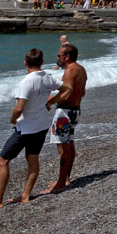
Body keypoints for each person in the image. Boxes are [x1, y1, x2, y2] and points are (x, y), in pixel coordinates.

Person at [0, 48, 61, 213]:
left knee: (1, 161)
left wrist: (13, 119)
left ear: (25, 63)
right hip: (41, 126)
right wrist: (50, 101)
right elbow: (66, 89)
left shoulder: (27, 81)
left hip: (26, 128)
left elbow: (19, 108)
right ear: (42, 62)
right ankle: (26, 195)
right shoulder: (49, 78)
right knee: (32, 159)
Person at [44, 43, 87, 193]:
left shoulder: (70, 71)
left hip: (64, 113)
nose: (57, 58)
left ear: (67, 57)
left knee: (63, 149)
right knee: (69, 146)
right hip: (75, 111)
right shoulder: (81, 69)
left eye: (59, 56)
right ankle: (66, 178)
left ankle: (61, 182)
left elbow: (66, 93)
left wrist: (50, 101)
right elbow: (81, 93)